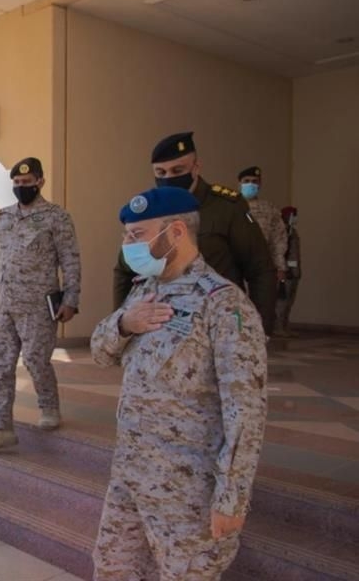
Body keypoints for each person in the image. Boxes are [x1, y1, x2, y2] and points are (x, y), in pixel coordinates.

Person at [91, 186, 268, 580]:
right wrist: (124, 324)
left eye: (137, 235)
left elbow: (246, 411)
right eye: (126, 235)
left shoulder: (223, 304)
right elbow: (100, 353)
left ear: (175, 232)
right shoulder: (143, 291)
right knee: (111, 569)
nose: (127, 245)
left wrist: (232, 497)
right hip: (130, 476)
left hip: (187, 492)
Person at [112, 132, 277, 335]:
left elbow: (259, 268)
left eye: (178, 170)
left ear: (196, 168)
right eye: (161, 172)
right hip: (158, 328)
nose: (168, 178)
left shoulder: (226, 207)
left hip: (214, 324)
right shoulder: (150, 212)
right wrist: (121, 324)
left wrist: (260, 329)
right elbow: (124, 271)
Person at [0, 157, 81, 455]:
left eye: (27, 182)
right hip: (5, 304)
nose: (21, 187)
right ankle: (0, 428)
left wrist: (71, 299)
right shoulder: (4, 216)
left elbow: (70, 259)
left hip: (37, 306)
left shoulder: (56, 217)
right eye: (17, 183)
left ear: (40, 181)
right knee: (0, 365)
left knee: (35, 359)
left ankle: (49, 406)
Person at [237, 166, 288, 283]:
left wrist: (280, 267)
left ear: (260, 184)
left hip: (262, 266)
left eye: (254, 181)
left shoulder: (269, 209)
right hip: (236, 267)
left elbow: (278, 239)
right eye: (246, 181)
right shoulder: (230, 206)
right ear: (239, 184)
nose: (250, 184)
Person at [275, 206, 302, 338]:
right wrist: (282, 269)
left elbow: (294, 254)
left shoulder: (292, 231)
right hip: (285, 271)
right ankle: (278, 327)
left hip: (293, 272)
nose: (294, 218)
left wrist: (295, 270)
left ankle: (285, 325)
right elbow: (280, 252)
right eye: (293, 215)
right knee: (282, 302)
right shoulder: (282, 231)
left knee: (289, 301)